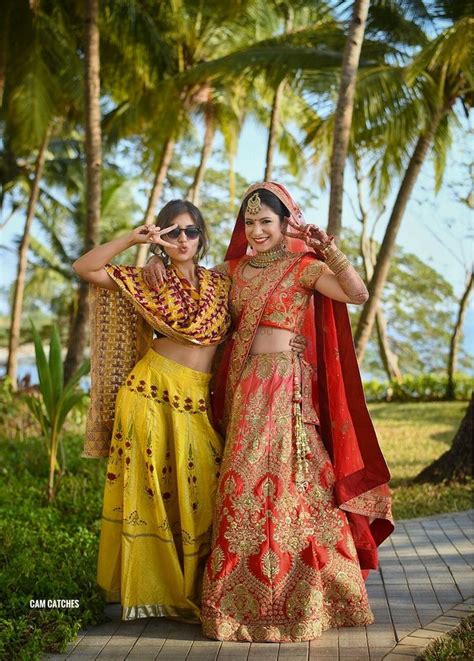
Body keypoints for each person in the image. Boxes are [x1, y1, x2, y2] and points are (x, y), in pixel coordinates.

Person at [146, 183, 393, 642]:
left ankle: (310, 599)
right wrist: (157, 261)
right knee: (241, 483)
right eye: (250, 222)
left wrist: (329, 249)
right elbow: (189, 278)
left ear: (284, 225)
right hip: (244, 387)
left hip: (285, 386)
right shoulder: (231, 272)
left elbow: (355, 294)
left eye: (266, 222)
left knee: (288, 483)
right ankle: (239, 603)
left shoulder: (303, 269)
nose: (256, 230)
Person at [73, 200, 232, 623]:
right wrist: (132, 239)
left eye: (191, 231)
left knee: (201, 491)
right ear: (161, 236)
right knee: (151, 494)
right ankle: (152, 593)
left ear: (202, 237)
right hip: (149, 393)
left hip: (195, 399)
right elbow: (85, 267)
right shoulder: (148, 280)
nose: (183, 239)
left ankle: (196, 588)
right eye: (173, 231)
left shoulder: (222, 283)